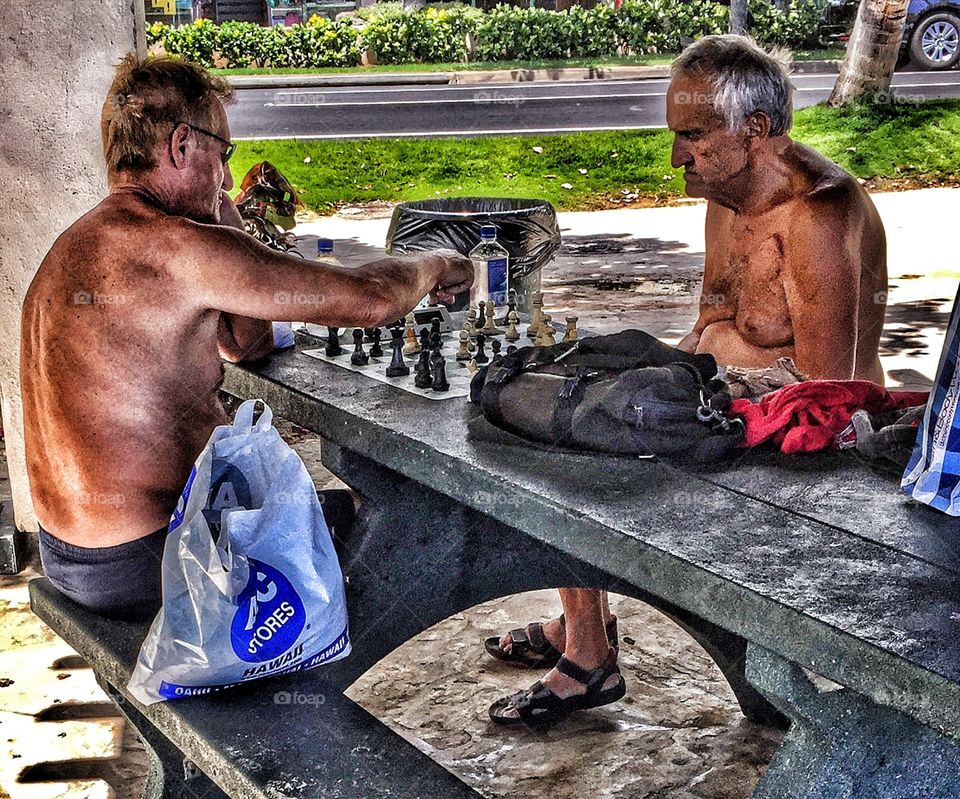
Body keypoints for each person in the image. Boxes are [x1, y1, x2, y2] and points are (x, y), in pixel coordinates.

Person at [487, 34, 888, 728]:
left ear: (754, 129)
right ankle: (582, 625)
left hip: (800, 434)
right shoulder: (726, 193)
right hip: (723, 396)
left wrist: (678, 394)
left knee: (591, 448)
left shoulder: (820, 213)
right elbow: (708, 324)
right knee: (560, 409)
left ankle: (587, 652)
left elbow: (833, 393)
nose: (679, 157)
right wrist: (638, 378)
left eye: (693, 136)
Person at [19, 54, 473, 619]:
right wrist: (437, 263)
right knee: (396, 532)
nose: (229, 180)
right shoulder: (174, 246)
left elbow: (246, 345)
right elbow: (371, 301)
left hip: (69, 556)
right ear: (182, 145)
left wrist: (226, 221)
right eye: (224, 155)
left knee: (317, 511)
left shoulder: (70, 247)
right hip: (153, 559)